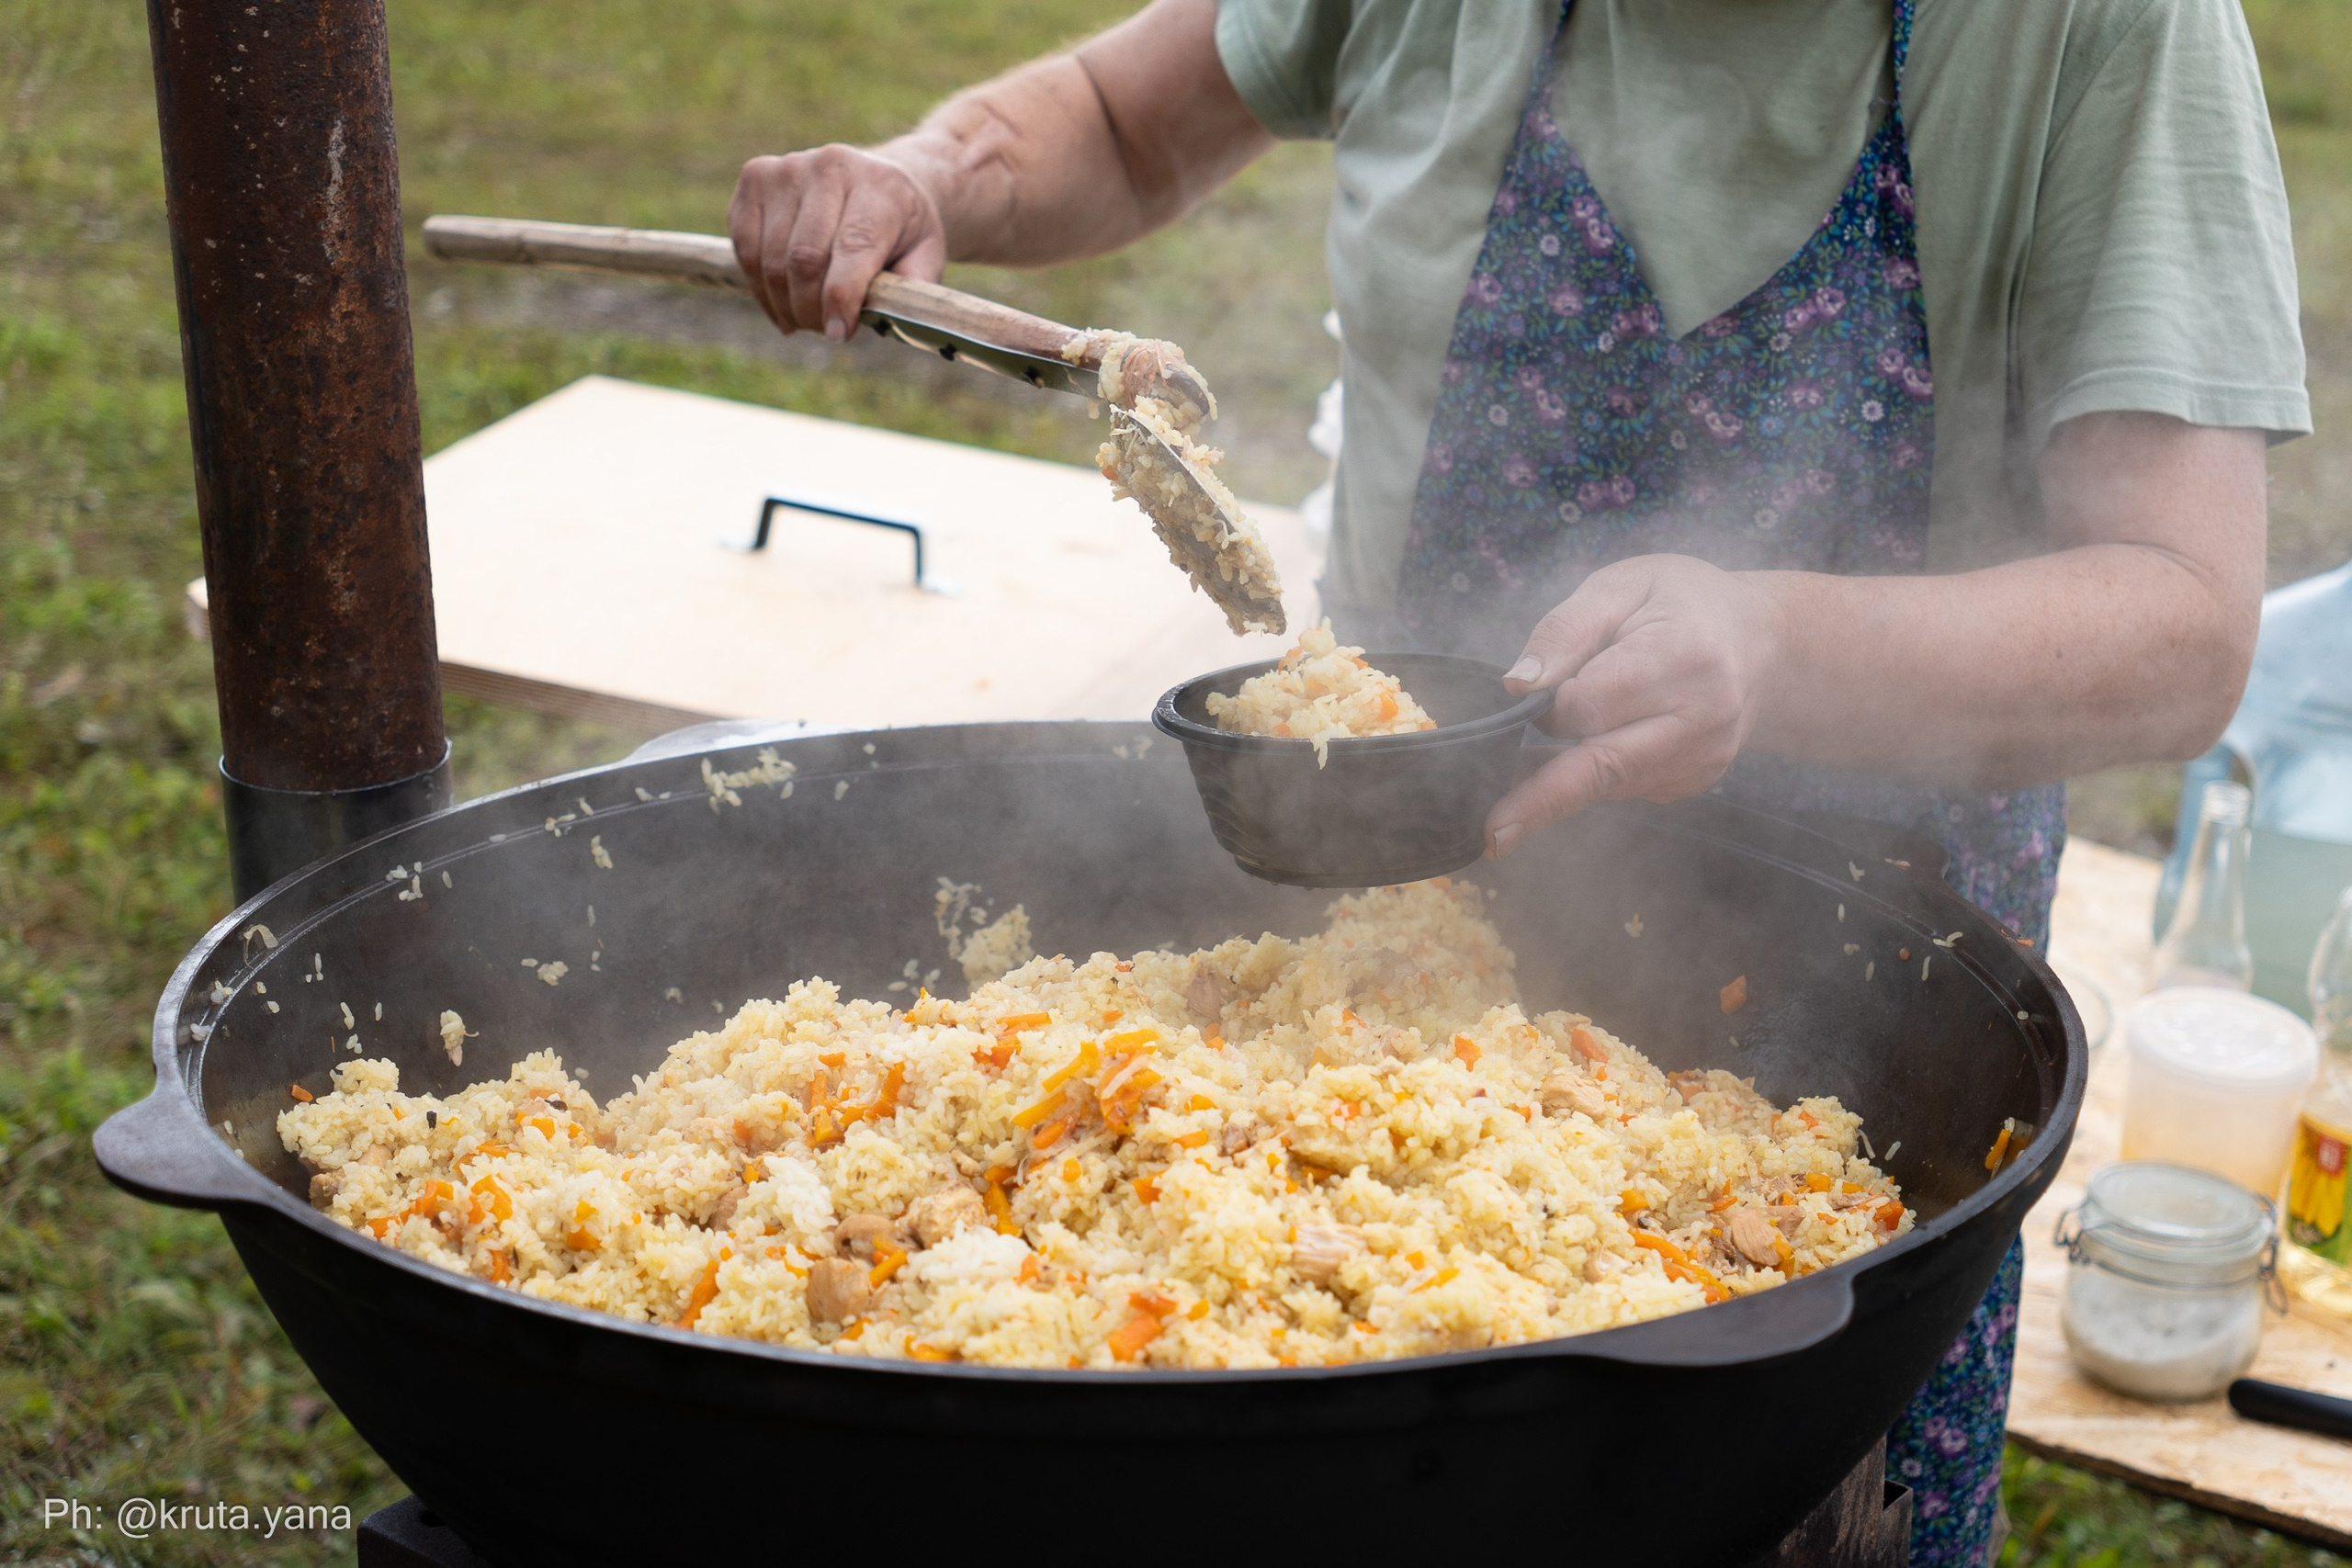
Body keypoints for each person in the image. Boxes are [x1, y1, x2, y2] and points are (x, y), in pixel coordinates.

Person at [728, 2, 2305, 1560]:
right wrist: (929, 172)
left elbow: (2180, 623)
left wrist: (1769, 643)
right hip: (1369, 1003)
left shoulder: (2102, 25)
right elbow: (1128, 116)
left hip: (1851, 1060)